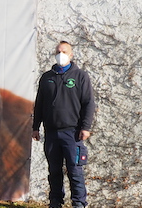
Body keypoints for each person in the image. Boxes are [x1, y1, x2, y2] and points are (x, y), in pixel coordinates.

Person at [32, 41, 95, 208]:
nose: (61, 54)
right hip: (51, 133)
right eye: (59, 51)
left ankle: (79, 203)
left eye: (65, 52)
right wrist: (35, 127)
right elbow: (39, 103)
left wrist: (86, 127)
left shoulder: (80, 76)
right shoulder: (47, 77)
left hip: (72, 133)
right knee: (54, 171)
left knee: (75, 171)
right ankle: (55, 201)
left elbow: (89, 103)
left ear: (71, 55)